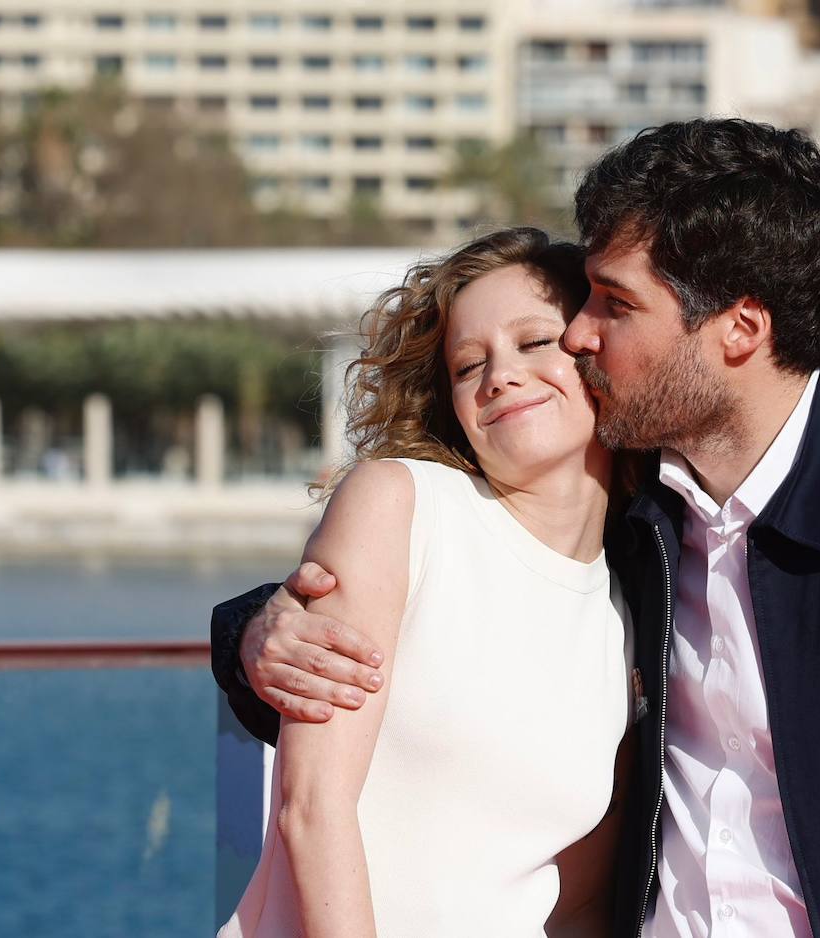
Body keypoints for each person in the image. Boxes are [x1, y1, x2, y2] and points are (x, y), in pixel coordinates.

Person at [214, 119, 820, 937]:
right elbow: (447, 627)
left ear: (739, 330)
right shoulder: (637, 509)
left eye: (615, 304)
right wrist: (261, 628)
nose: (580, 335)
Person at [216, 228, 635, 937]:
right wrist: (254, 626)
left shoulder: (632, 606)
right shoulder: (402, 504)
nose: (499, 375)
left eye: (534, 343)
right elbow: (311, 809)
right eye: (469, 364)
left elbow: (579, 901)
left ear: (597, 353)